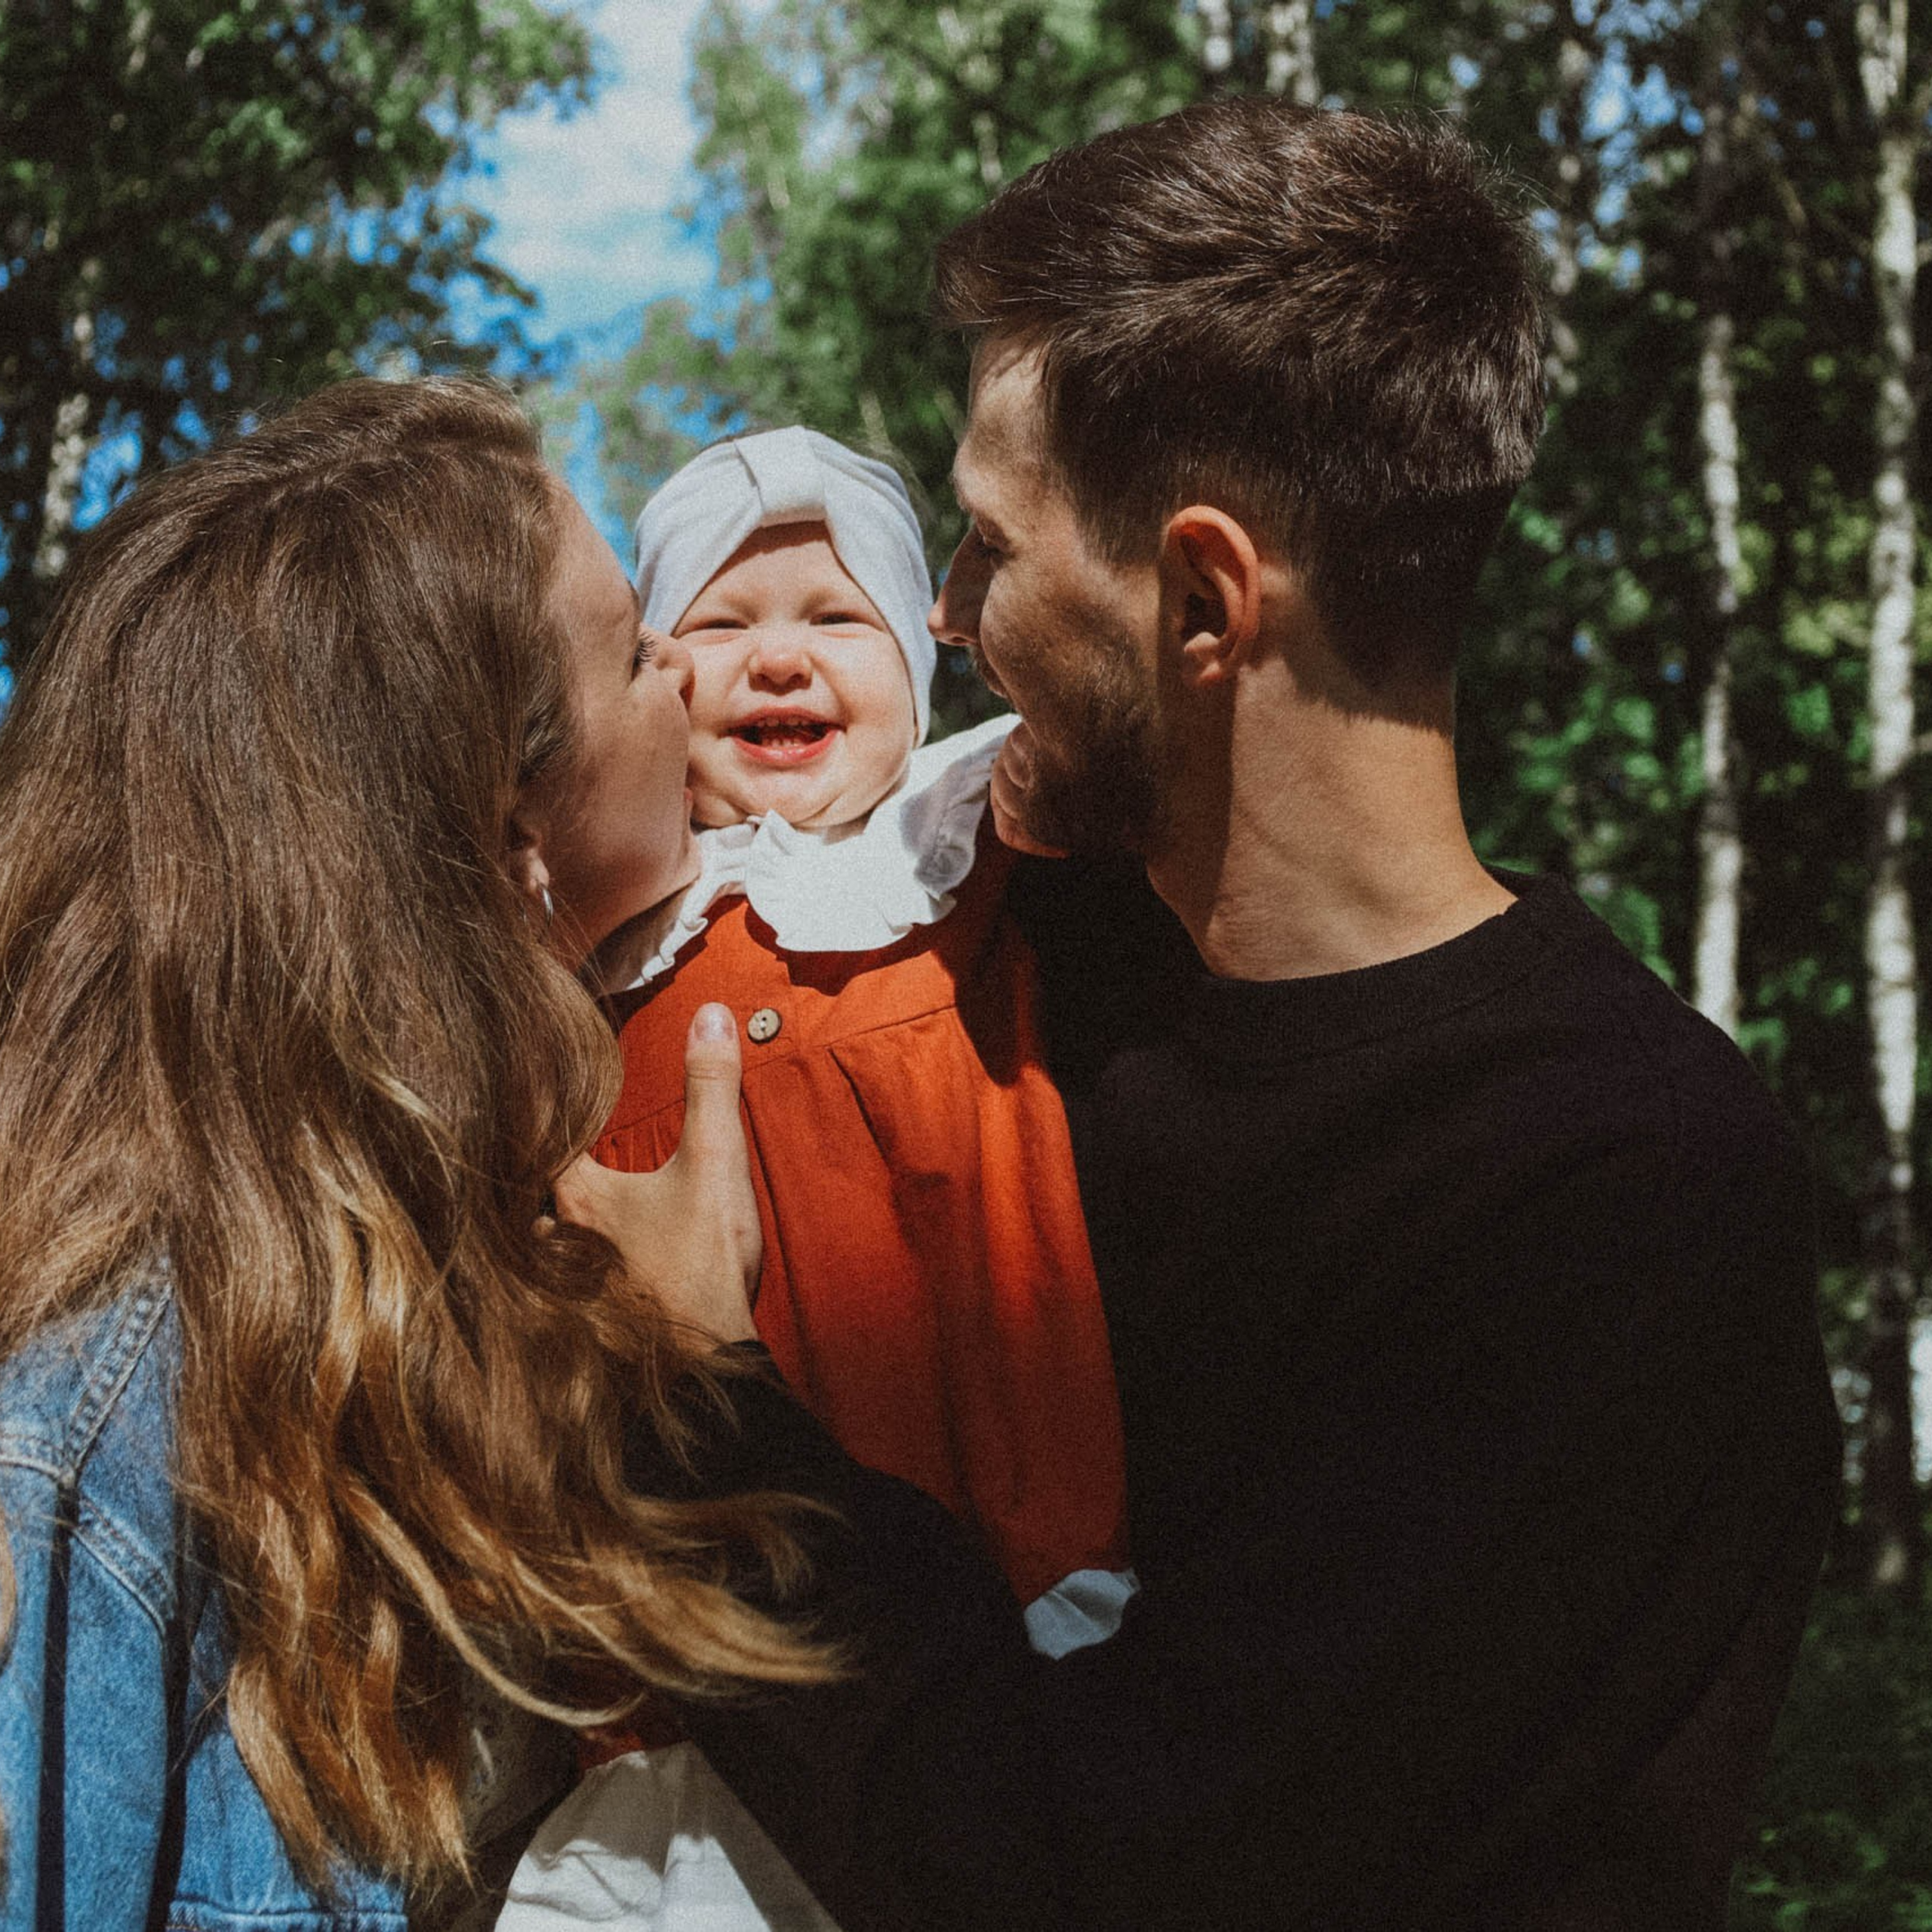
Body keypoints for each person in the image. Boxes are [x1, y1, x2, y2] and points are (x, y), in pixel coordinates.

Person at [566, 98, 1844, 1929]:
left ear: (1198, 601)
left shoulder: (1616, 1195)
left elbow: (1104, 1865)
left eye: (994, 549)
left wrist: (693, 1393)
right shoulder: (1005, 998)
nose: (945, 611)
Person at [0, 376, 829, 1927]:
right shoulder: (86, 1419)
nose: (684, 677)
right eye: (636, 653)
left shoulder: (388, 1264)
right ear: (514, 846)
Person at [500, 426, 1131, 1928]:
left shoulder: (956, 840)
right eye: (717, 627)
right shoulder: (606, 922)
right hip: (654, 1665)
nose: (777, 658)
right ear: (649, 687)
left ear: (920, 667)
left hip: (972, 1577)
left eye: (834, 616)